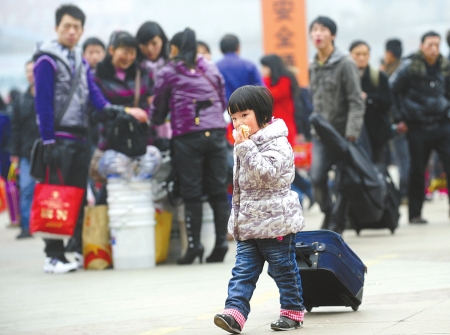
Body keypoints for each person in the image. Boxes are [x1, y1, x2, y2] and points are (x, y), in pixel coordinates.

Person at [33, 4, 147, 273]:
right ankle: (52, 255)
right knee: (55, 195)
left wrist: (119, 111)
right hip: (58, 138)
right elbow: (43, 104)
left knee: (75, 195)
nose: (72, 32)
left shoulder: (81, 61)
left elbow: (95, 97)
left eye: (76, 27)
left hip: (81, 138)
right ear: (57, 28)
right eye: (67, 27)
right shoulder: (45, 60)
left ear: (82, 30)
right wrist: (48, 141)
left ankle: (65, 252)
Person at [213, 85, 305, 334]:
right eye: (233, 117)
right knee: (242, 272)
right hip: (248, 224)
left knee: (283, 270)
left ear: (262, 113)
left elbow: (267, 174)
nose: (238, 122)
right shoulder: (246, 143)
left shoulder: (277, 143)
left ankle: (292, 311)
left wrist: (245, 148)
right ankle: (234, 313)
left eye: (244, 115)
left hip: (275, 223)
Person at [152, 28, 230, 265]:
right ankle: (221, 243)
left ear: (174, 48)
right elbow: (222, 98)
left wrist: (156, 119)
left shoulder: (168, 71)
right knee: (218, 190)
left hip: (188, 136)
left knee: (192, 192)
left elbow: (158, 110)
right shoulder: (210, 66)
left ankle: (194, 246)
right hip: (216, 133)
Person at [308, 16, 365, 234]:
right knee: (317, 178)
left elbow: (355, 101)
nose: (318, 34)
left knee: (344, 181)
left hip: (343, 134)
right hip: (321, 134)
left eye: (323, 30)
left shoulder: (346, 63)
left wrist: (351, 133)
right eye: (314, 30)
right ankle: (329, 212)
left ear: (333, 35)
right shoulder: (313, 65)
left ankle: (338, 223)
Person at [391, 31, 450, 223]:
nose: (434, 49)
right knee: (417, 169)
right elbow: (392, 92)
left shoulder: (444, 67)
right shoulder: (409, 68)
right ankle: (415, 213)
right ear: (422, 45)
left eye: (437, 45)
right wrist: (400, 118)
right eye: (430, 44)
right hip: (417, 127)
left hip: (442, 125)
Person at [260, 54, 314, 207]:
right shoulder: (268, 81)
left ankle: (302, 192)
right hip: (270, 128)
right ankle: (304, 190)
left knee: (283, 165)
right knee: (280, 166)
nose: (263, 70)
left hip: (284, 129)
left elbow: (269, 95)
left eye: (265, 66)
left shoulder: (285, 79)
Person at [10, 60, 40, 239]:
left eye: (33, 70)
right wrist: (15, 153)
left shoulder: (48, 96)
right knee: (27, 188)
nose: (30, 74)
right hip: (26, 153)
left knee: (45, 189)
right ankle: (26, 226)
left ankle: (46, 223)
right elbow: (16, 129)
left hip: (47, 152)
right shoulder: (20, 100)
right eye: (27, 71)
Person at [349, 40, 392, 163]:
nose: (361, 58)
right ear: (350, 55)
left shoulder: (378, 76)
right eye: (357, 54)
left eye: (365, 54)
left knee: (376, 167)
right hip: (353, 132)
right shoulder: (346, 77)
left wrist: (368, 98)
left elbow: (388, 102)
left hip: (376, 133)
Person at [384, 38, 410, 203]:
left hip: (398, 122)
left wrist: (398, 120)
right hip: (407, 120)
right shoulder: (406, 68)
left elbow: (392, 100)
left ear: (390, 54)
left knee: (403, 159)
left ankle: (405, 193)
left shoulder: (393, 72)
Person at [216, 34, 263, 102]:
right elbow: (261, 91)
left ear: (220, 49)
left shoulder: (215, 67)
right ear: (238, 47)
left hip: (223, 109)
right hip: (247, 108)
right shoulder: (249, 65)